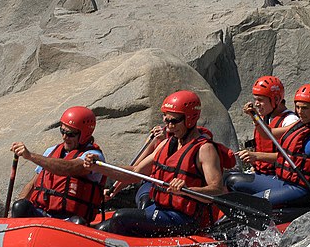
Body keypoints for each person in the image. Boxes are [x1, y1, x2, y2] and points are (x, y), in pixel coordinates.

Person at [83, 90, 227, 236]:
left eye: (174, 121)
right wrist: (99, 167)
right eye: (166, 120)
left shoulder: (205, 149)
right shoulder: (165, 144)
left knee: (120, 218)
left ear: (190, 119)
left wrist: (188, 188)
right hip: (160, 209)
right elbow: (135, 173)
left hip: (184, 219)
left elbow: (217, 190)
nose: (169, 126)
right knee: (104, 228)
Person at [10, 106, 105, 224]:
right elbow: (33, 184)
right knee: (20, 206)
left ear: (84, 134)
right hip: (41, 213)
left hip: (69, 220)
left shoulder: (93, 157)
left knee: (78, 222)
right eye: (62, 131)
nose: (64, 137)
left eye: (70, 134)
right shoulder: (51, 151)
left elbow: (69, 168)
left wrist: (30, 156)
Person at [225, 75, 299, 196]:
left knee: (233, 181)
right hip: (262, 173)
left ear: (275, 100)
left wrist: (256, 156)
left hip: (279, 178)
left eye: (260, 100)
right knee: (227, 177)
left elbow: (291, 157)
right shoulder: (266, 118)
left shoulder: (290, 121)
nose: (257, 104)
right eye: (255, 100)